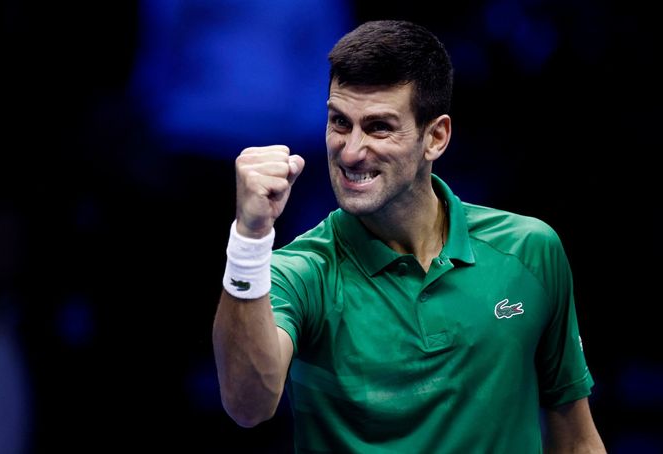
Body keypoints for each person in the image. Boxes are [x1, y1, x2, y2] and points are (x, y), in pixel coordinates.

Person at [212, 19, 606, 453]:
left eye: (378, 127)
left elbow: (575, 440)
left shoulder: (530, 250)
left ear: (435, 137)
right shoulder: (299, 273)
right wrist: (249, 238)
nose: (350, 150)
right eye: (340, 122)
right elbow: (248, 406)